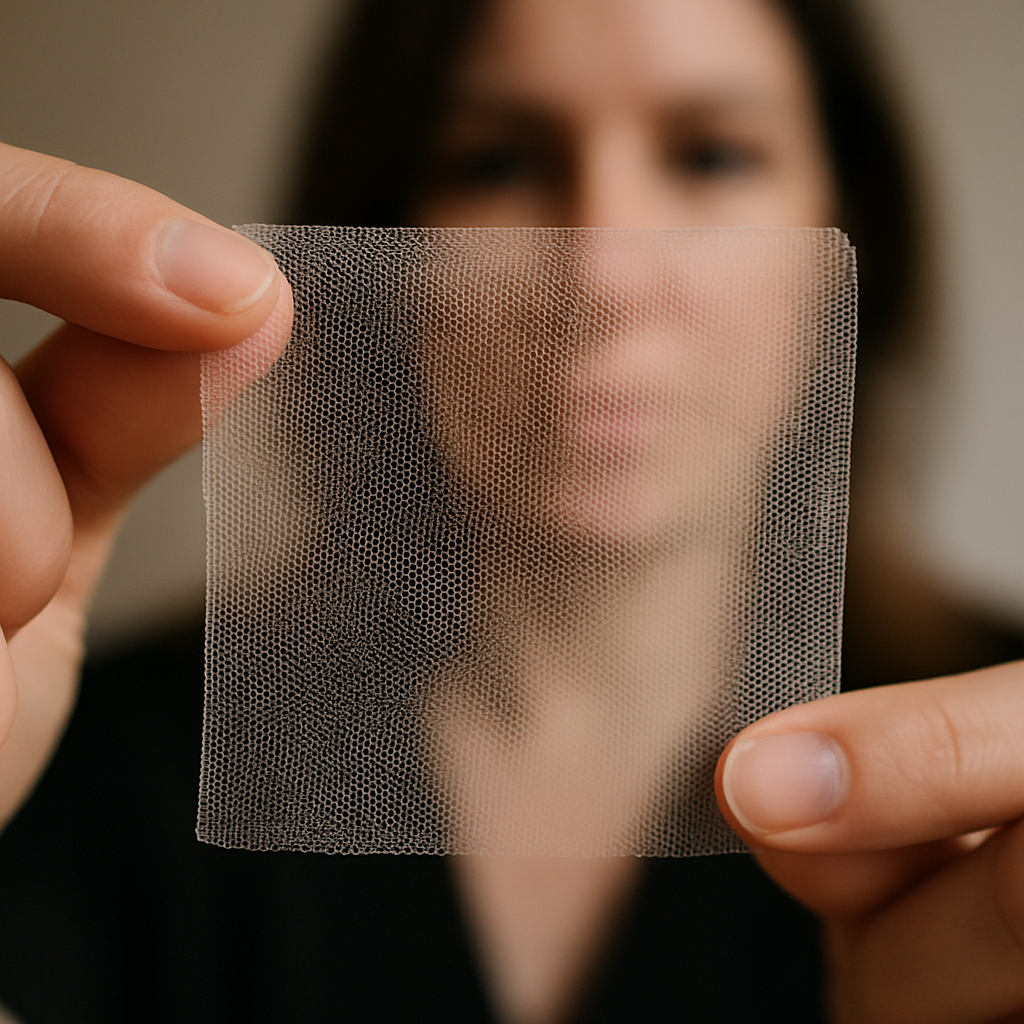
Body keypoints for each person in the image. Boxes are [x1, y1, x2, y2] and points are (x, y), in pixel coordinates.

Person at [0, 0, 1022, 1021]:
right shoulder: (83, 767)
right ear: (380, 255)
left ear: (857, 245)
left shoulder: (996, 800)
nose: (601, 277)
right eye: (495, 163)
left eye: (711, 157)